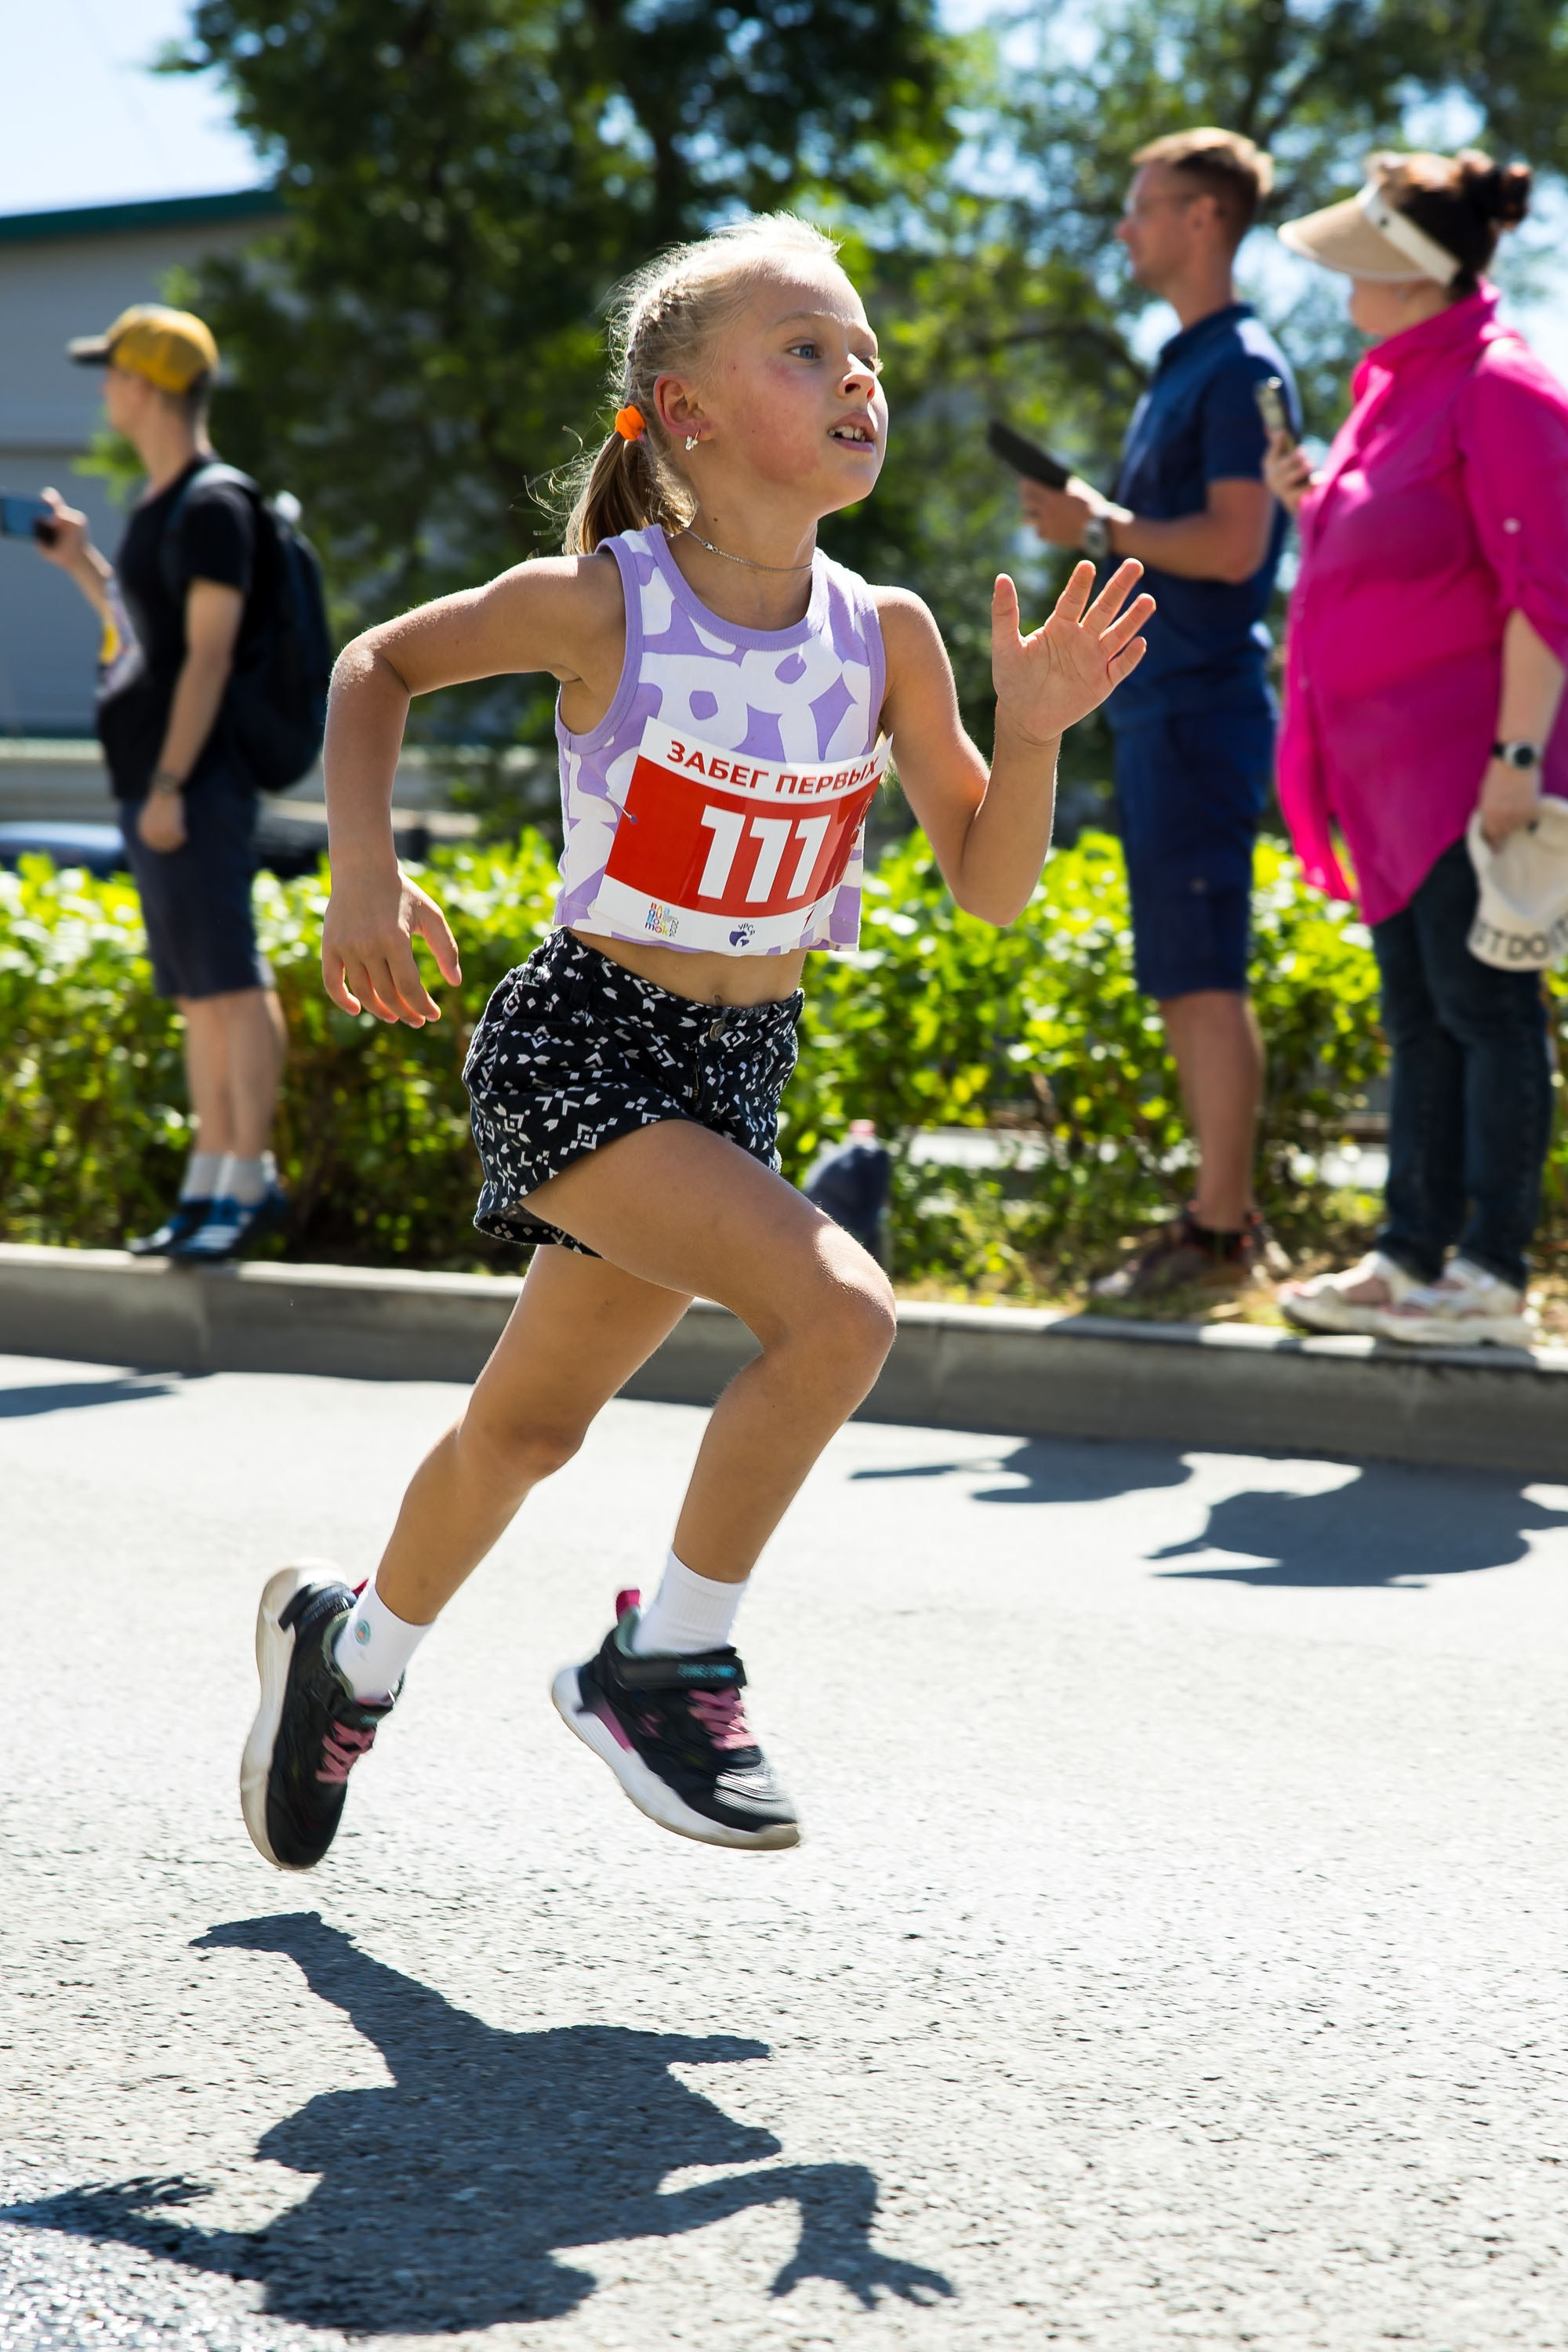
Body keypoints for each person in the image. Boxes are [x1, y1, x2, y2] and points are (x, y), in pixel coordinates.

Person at [239, 213, 1155, 1871]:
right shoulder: (609, 603)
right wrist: (360, 874)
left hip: (731, 1081)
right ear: (683, 414)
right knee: (839, 1312)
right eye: (803, 349)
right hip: (588, 1050)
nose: (855, 374)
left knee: (526, 1430)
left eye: (861, 351)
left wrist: (1029, 737)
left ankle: (345, 1652)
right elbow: (376, 666)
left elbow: (994, 885)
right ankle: (664, 1662)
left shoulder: (887, 636)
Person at [1269, 152, 1568, 1348]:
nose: (1345, 279)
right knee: (1421, 1020)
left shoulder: (1502, 386)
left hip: (1467, 772)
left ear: (1414, 273)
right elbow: (1390, 560)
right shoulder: (1395, 391)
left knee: (1489, 1013)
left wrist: (1517, 758)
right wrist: (1314, 504)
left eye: (1363, 259)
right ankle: (1408, 1254)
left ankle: (1492, 1279)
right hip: (1387, 787)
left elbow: (1544, 590)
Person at [1019, 129, 1298, 1298]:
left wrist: (1098, 526)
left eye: (1143, 208)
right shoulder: (1181, 362)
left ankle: (1223, 1236)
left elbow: (1238, 547)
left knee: (1204, 972)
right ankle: (1211, 1219)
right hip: (1161, 709)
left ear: (1204, 219)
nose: (1124, 228)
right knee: (1184, 971)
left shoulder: (1240, 367)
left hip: (1200, 704)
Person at [38, 304, 288, 1261]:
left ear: (147, 385)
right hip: (159, 781)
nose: (105, 389)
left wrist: (175, 779)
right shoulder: (161, 504)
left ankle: (245, 1179)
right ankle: (209, 1178)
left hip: (195, 781)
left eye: (114, 373)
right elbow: (153, 635)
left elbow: (210, 657)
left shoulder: (215, 505)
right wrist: (85, 567)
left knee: (229, 981)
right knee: (196, 991)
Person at [801, 1118, 893, 1261]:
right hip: (841, 1219)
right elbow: (875, 1199)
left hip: (816, 1214)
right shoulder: (872, 1153)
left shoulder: (837, 1152)